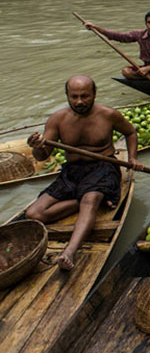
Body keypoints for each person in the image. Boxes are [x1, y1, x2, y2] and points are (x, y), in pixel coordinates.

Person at [25, 76, 142, 270]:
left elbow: (131, 132)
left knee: (91, 199)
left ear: (94, 94)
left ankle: (70, 252)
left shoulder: (108, 114)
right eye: (74, 97)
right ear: (67, 96)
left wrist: (133, 158)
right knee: (34, 213)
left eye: (85, 96)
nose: (79, 102)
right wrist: (36, 147)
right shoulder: (58, 119)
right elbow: (42, 156)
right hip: (72, 172)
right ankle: (84, 202)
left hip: (103, 167)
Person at [83, 12, 150, 83]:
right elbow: (120, 36)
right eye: (149, 22)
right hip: (148, 70)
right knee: (126, 72)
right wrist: (95, 27)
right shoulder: (139, 34)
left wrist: (148, 68)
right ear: (146, 24)